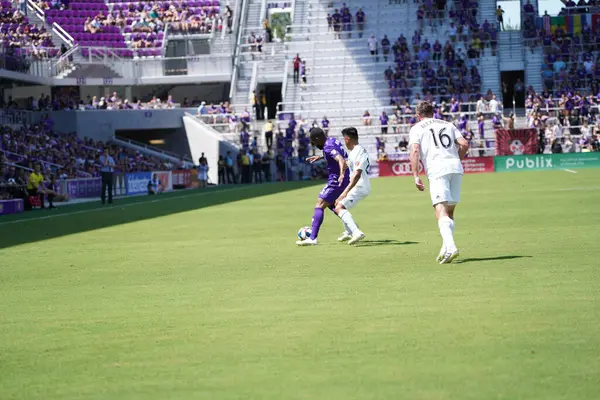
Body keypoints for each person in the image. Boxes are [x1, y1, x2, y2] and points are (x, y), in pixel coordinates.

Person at [408, 101, 469, 264]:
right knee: (449, 213)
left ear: (417, 115)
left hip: (437, 169)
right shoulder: (448, 124)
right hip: (455, 167)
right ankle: (445, 248)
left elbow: (414, 151)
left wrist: (415, 175)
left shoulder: (417, 128)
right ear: (432, 112)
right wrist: (457, 159)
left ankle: (452, 247)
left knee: (440, 210)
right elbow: (464, 144)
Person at [296, 128, 350, 246]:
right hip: (343, 178)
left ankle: (313, 238)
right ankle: (352, 228)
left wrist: (341, 174)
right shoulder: (331, 140)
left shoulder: (327, 146)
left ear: (317, 138)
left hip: (337, 179)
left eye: (314, 142)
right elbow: (335, 154)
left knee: (319, 204)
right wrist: (321, 157)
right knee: (332, 204)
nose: (314, 145)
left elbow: (341, 160)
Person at [334, 127, 370, 245]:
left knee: (339, 206)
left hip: (359, 186)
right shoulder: (354, 152)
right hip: (357, 186)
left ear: (347, 139)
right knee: (337, 204)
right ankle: (349, 230)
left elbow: (357, 174)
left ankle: (355, 232)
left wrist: (345, 191)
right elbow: (347, 165)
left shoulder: (359, 151)